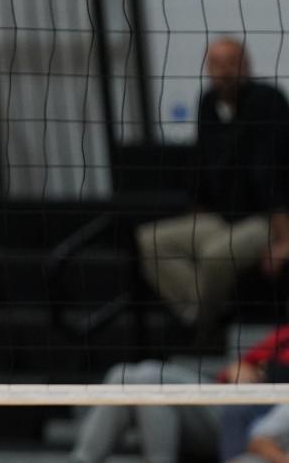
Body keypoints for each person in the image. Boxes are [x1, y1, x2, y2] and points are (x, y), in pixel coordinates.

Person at [137, 38, 289, 333]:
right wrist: (199, 209)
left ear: (246, 65)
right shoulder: (208, 103)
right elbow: (202, 162)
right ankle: (200, 310)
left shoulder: (268, 101)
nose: (224, 71)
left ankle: (203, 328)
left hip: (267, 220)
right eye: (216, 64)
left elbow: (272, 173)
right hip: (222, 217)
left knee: (215, 255)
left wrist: (285, 239)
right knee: (150, 240)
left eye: (230, 62)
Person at [71, 325, 289, 463]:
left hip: (255, 419)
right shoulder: (284, 334)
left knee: (150, 385)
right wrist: (239, 368)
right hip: (227, 397)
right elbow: (239, 366)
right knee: (123, 374)